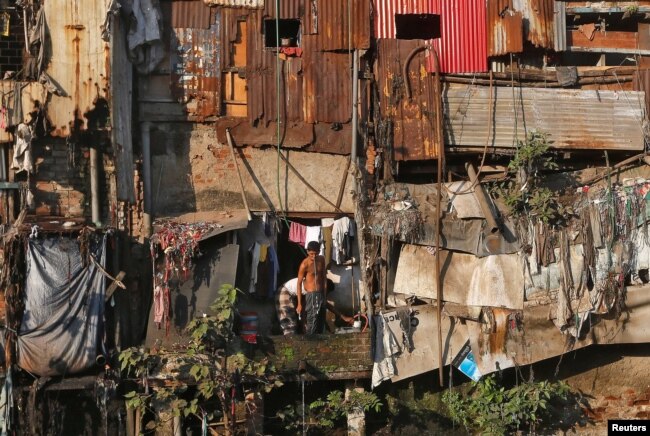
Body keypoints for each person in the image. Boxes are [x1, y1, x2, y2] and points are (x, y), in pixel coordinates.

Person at [297, 240, 327, 334]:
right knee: (312, 321)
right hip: (311, 295)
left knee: (321, 321)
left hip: (321, 293)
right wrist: (299, 303)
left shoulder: (321, 259)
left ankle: (321, 345)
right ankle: (310, 345)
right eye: (311, 254)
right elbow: (299, 283)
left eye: (316, 254)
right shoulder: (304, 264)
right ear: (307, 252)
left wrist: (325, 296)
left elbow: (324, 278)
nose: (314, 256)